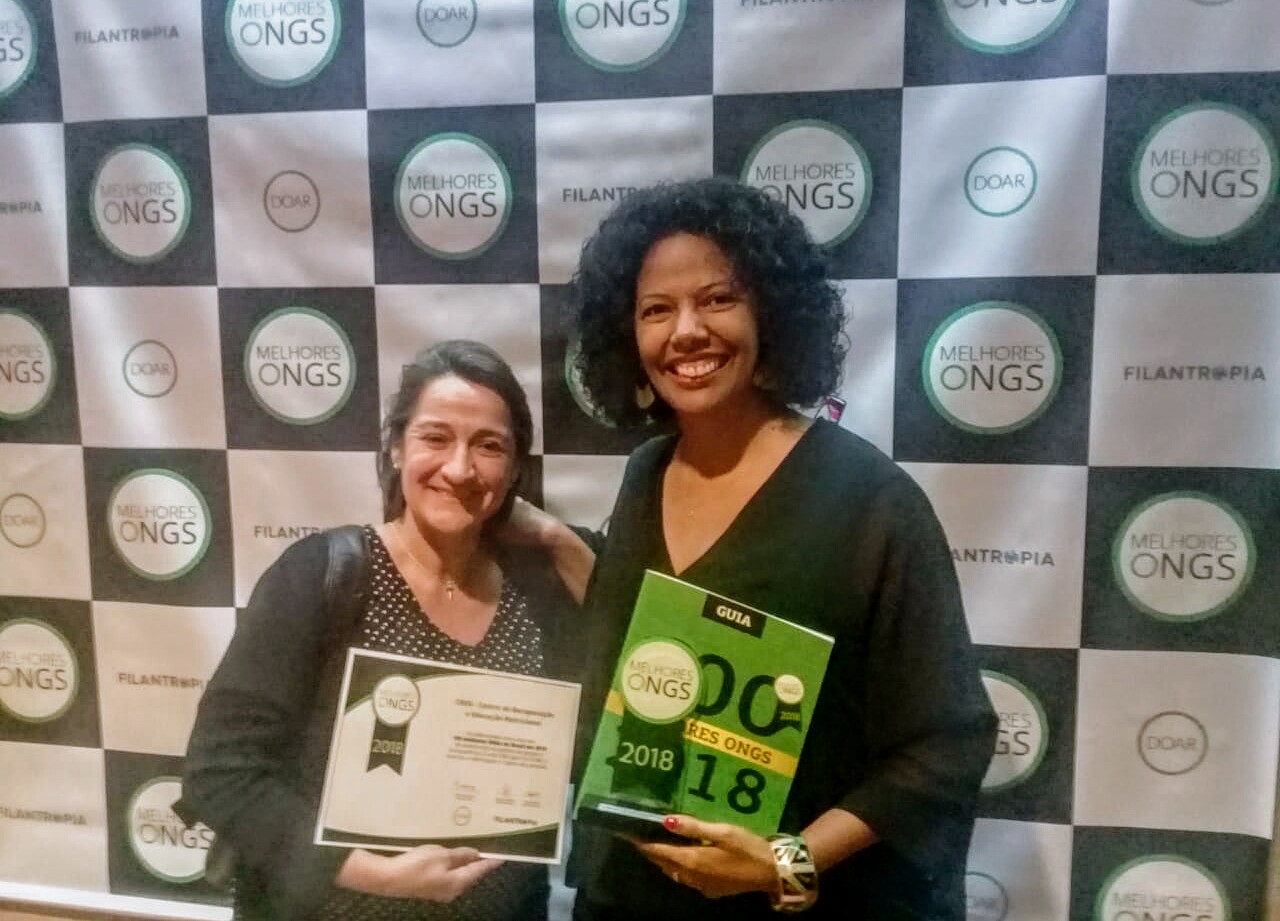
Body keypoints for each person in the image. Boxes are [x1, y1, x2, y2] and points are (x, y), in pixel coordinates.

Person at [567, 177, 996, 920]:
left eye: (717, 299)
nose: (686, 332)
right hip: (634, 900)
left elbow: (947, 743)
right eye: (655, 310)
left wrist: (783, 863)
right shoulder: (644, 476)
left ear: (770, 312)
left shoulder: (870, 499)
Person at [182, 340, 593, 921]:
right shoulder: (325, 575)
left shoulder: (536, 595)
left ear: (515, 468)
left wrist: (556, 538)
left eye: (489, 446)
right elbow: (220, 773)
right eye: (435, 438)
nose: (460, 468)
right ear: (397, 448)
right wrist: (375, 875)